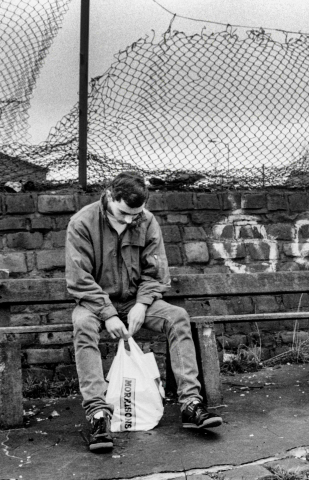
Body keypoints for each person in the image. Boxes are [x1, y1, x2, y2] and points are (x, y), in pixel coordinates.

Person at [66, 171, 222, 453]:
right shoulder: (82, 223)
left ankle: (190, 404)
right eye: (123, 213)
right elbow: (79, 279)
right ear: (110, 196)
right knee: (83, 325)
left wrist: (141, 304)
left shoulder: (147, 221)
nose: (129, 220)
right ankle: (98, 415)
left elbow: (156, 271)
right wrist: (108, 313)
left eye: (134, 215)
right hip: (96, 304)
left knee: (177, 318)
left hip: (137, 302)